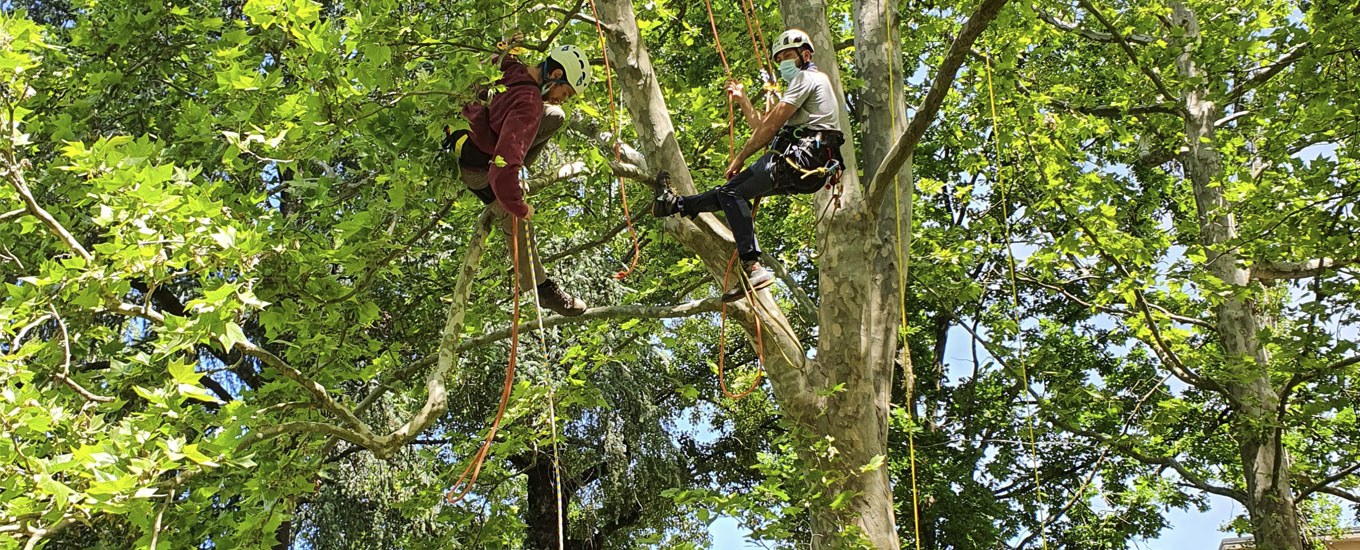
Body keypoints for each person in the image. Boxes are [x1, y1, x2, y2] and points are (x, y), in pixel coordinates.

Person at [651, 29, 845, 302]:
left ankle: (753, 265)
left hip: (800, 159)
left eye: (787, 56)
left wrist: (740, 157)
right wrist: (743, 100)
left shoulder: (808, 77)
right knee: (731, 193)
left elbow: (770, 127)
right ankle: (673, 205)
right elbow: (765, 128)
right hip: (808, 168)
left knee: (732, 193)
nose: (783, 63)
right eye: (779, 59)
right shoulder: (809, 88)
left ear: (805, 54)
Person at [449, 44, 593, 316]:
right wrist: (519, 205)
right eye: (566, 91)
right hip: (480, 169)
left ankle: (514, 174)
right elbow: (499, 172)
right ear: (556, 74)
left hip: (468, 137)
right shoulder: (529, 102)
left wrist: (504, 46)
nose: (564, 98)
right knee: (514, 214)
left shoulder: (511, 67)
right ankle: (540, 287)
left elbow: (488, 57)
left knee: (555, 116)